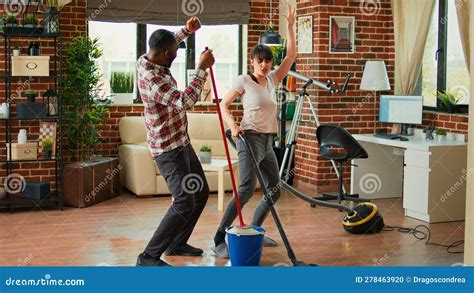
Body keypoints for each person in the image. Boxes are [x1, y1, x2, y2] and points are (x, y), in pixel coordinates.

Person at [212, 5, 297, 258]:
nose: (264, 64)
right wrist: (233, 125)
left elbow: (290, 56)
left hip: (268, 141)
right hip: (248, 138)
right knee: (246, 189)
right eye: (259, 60)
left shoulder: (272, 79)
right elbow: (223, 105)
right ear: (252, 61)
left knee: (274, 188)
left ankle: (254, 229)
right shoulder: (244, 80)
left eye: (268, 60)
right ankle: (219, 238)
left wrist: (290, 27)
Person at [135, 16, 215, 266]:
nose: (177, 54)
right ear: (166, 54)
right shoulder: (153, 79)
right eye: (175, 52)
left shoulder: (147, 58)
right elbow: (185, 101)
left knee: (199, 192)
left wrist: (185, 31)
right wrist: (201, 68)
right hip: (167, 149)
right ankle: (148, 257)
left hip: (181, 141)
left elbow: (167, 42)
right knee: (183, 200)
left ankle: (177, 243)